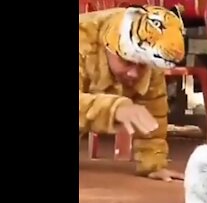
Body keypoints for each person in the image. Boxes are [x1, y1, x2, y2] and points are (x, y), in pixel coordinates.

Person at [79, 5, 186, 181]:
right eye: (127, 62)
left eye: (141, 65)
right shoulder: (84, 40)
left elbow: (154, 115)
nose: (134, 73)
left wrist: (153, 164)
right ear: (109, 48)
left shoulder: (149, 57)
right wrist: (115, 108)